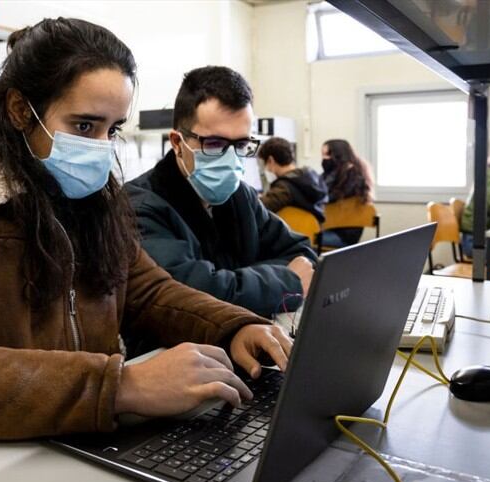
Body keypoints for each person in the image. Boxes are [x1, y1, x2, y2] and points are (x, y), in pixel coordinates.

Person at [0, 19, 292, 466]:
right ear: (21, 111)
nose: (102, 147)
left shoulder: (91, 205)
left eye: (113, 129)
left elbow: (148, 290)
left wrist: (235, 326)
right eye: (84, 126)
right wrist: (121, 386)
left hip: (64, 444)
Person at [126, 66, 316, 328]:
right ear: (178, 143)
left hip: (249, 335)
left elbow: (301, 254)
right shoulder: (139, 205)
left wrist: (236, 284)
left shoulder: (241, 196)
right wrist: (286, 281)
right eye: (214, 144)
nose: (230, 158)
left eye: (240, 145)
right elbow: (193, 296)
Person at [319, 139, 375, 247]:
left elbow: (325, 197)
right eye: (323, 155)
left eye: (327, 154)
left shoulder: (353, 177)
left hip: (342, 234)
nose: (324, 159)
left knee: (298, 239)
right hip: (332, 230)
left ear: (338, 155)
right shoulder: (338, 173)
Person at [258, 136, 328, 222]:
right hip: (315, 232)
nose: (266, 169)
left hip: (293, 233)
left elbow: (258, 209)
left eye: (265, 164)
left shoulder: (284, 188)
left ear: (270, 160)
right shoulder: (312, 175)